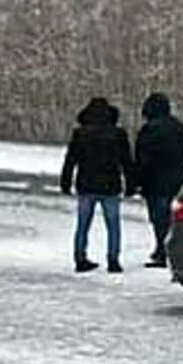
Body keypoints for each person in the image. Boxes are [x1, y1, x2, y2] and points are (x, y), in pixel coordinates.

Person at [60, 97, 135, 273]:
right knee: (113, 224)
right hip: (111, 185)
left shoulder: (80, 133)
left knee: (83, 224)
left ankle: (80, 257)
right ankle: (113, 260)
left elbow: (71, 160)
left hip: (86, 184)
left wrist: (66, 181)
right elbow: (126, 161)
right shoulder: (118, 134)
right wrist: (131, 184)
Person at [133, 92, 183, 268]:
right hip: (175, 179)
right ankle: (167, 249)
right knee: (170, 217)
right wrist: (182, 172)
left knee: (159, 218)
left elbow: (142, 159)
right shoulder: (180, 128)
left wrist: (137, 180)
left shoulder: (149, 130)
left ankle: (163, 250)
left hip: (154, 182)